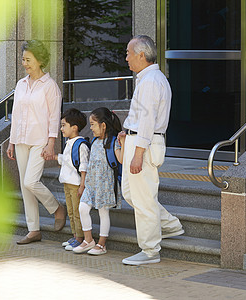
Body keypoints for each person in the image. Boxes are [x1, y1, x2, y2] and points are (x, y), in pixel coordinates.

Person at [120, 35, 184, 265]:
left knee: (143, 198)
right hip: (138, 141)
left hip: (143, 145)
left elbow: (147, 122)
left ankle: (149, 251)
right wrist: (126, 132)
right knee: (131, 193)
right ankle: (169, 225)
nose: (126, 57)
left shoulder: (150, 81)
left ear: (141, 55)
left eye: (128, 53)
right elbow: (141, 118)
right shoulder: (149, 79)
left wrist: (137, 153)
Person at [6, 40, 66, 245]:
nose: (25, 63)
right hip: (21, 140)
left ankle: (56, 208)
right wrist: (11, 142)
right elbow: (16, 114)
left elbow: (53, 117)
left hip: (40, 140)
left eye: (28, 60)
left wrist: (51, 142)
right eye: (23, 59)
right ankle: (34, 230)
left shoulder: (50, 86)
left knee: (31, 181)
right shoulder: (21, 85)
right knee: (25, 187)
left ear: (40, 61)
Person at [72, 107, 124, 256]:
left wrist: (123, 141)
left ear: (103, 125)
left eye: (93, 124)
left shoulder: (113, 142)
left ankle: (102, 244)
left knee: (103, 212)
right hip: (91, 183)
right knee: (83, 208)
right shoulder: (94, 141)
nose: (91, 128)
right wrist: (83, 185)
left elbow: (121, 159)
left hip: (105, 185)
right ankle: (89, 240)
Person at [53, 108, 90, 250]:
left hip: (76, 184)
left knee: (77, 211)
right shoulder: (69, 142)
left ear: (74, 128)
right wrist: (56, 157)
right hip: (67, 183)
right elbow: (68, 160)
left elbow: (83, 166)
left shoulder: (81, 144)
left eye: (63, 125)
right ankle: (75, 236)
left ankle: (80, 238)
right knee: (70, 211)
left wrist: (82, 185)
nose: (61, 128)